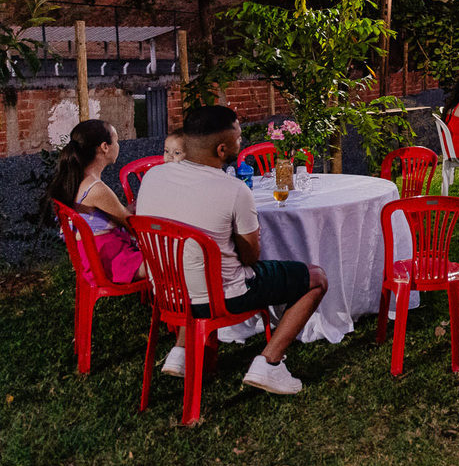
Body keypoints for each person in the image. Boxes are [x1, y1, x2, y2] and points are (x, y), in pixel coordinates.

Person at [137, 106, 328, 393]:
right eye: (238, 138)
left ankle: (182, 351)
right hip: (219, 297)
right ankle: (269, 363)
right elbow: (251, 257)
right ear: (222, 149)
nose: (242, 142)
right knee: (316, 278)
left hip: (168, 293)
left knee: (194, 265)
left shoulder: (153, 176)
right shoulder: (235, 190)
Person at [46, 119, 145, 285]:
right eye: (116, 141)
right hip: (113, 265)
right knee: (173, 260)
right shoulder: (96, 189)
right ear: (105, 147)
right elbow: (132, 226)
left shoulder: (76, 181)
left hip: (94, 262)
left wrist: (124, 211)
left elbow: (104, 219)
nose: (118, 146)